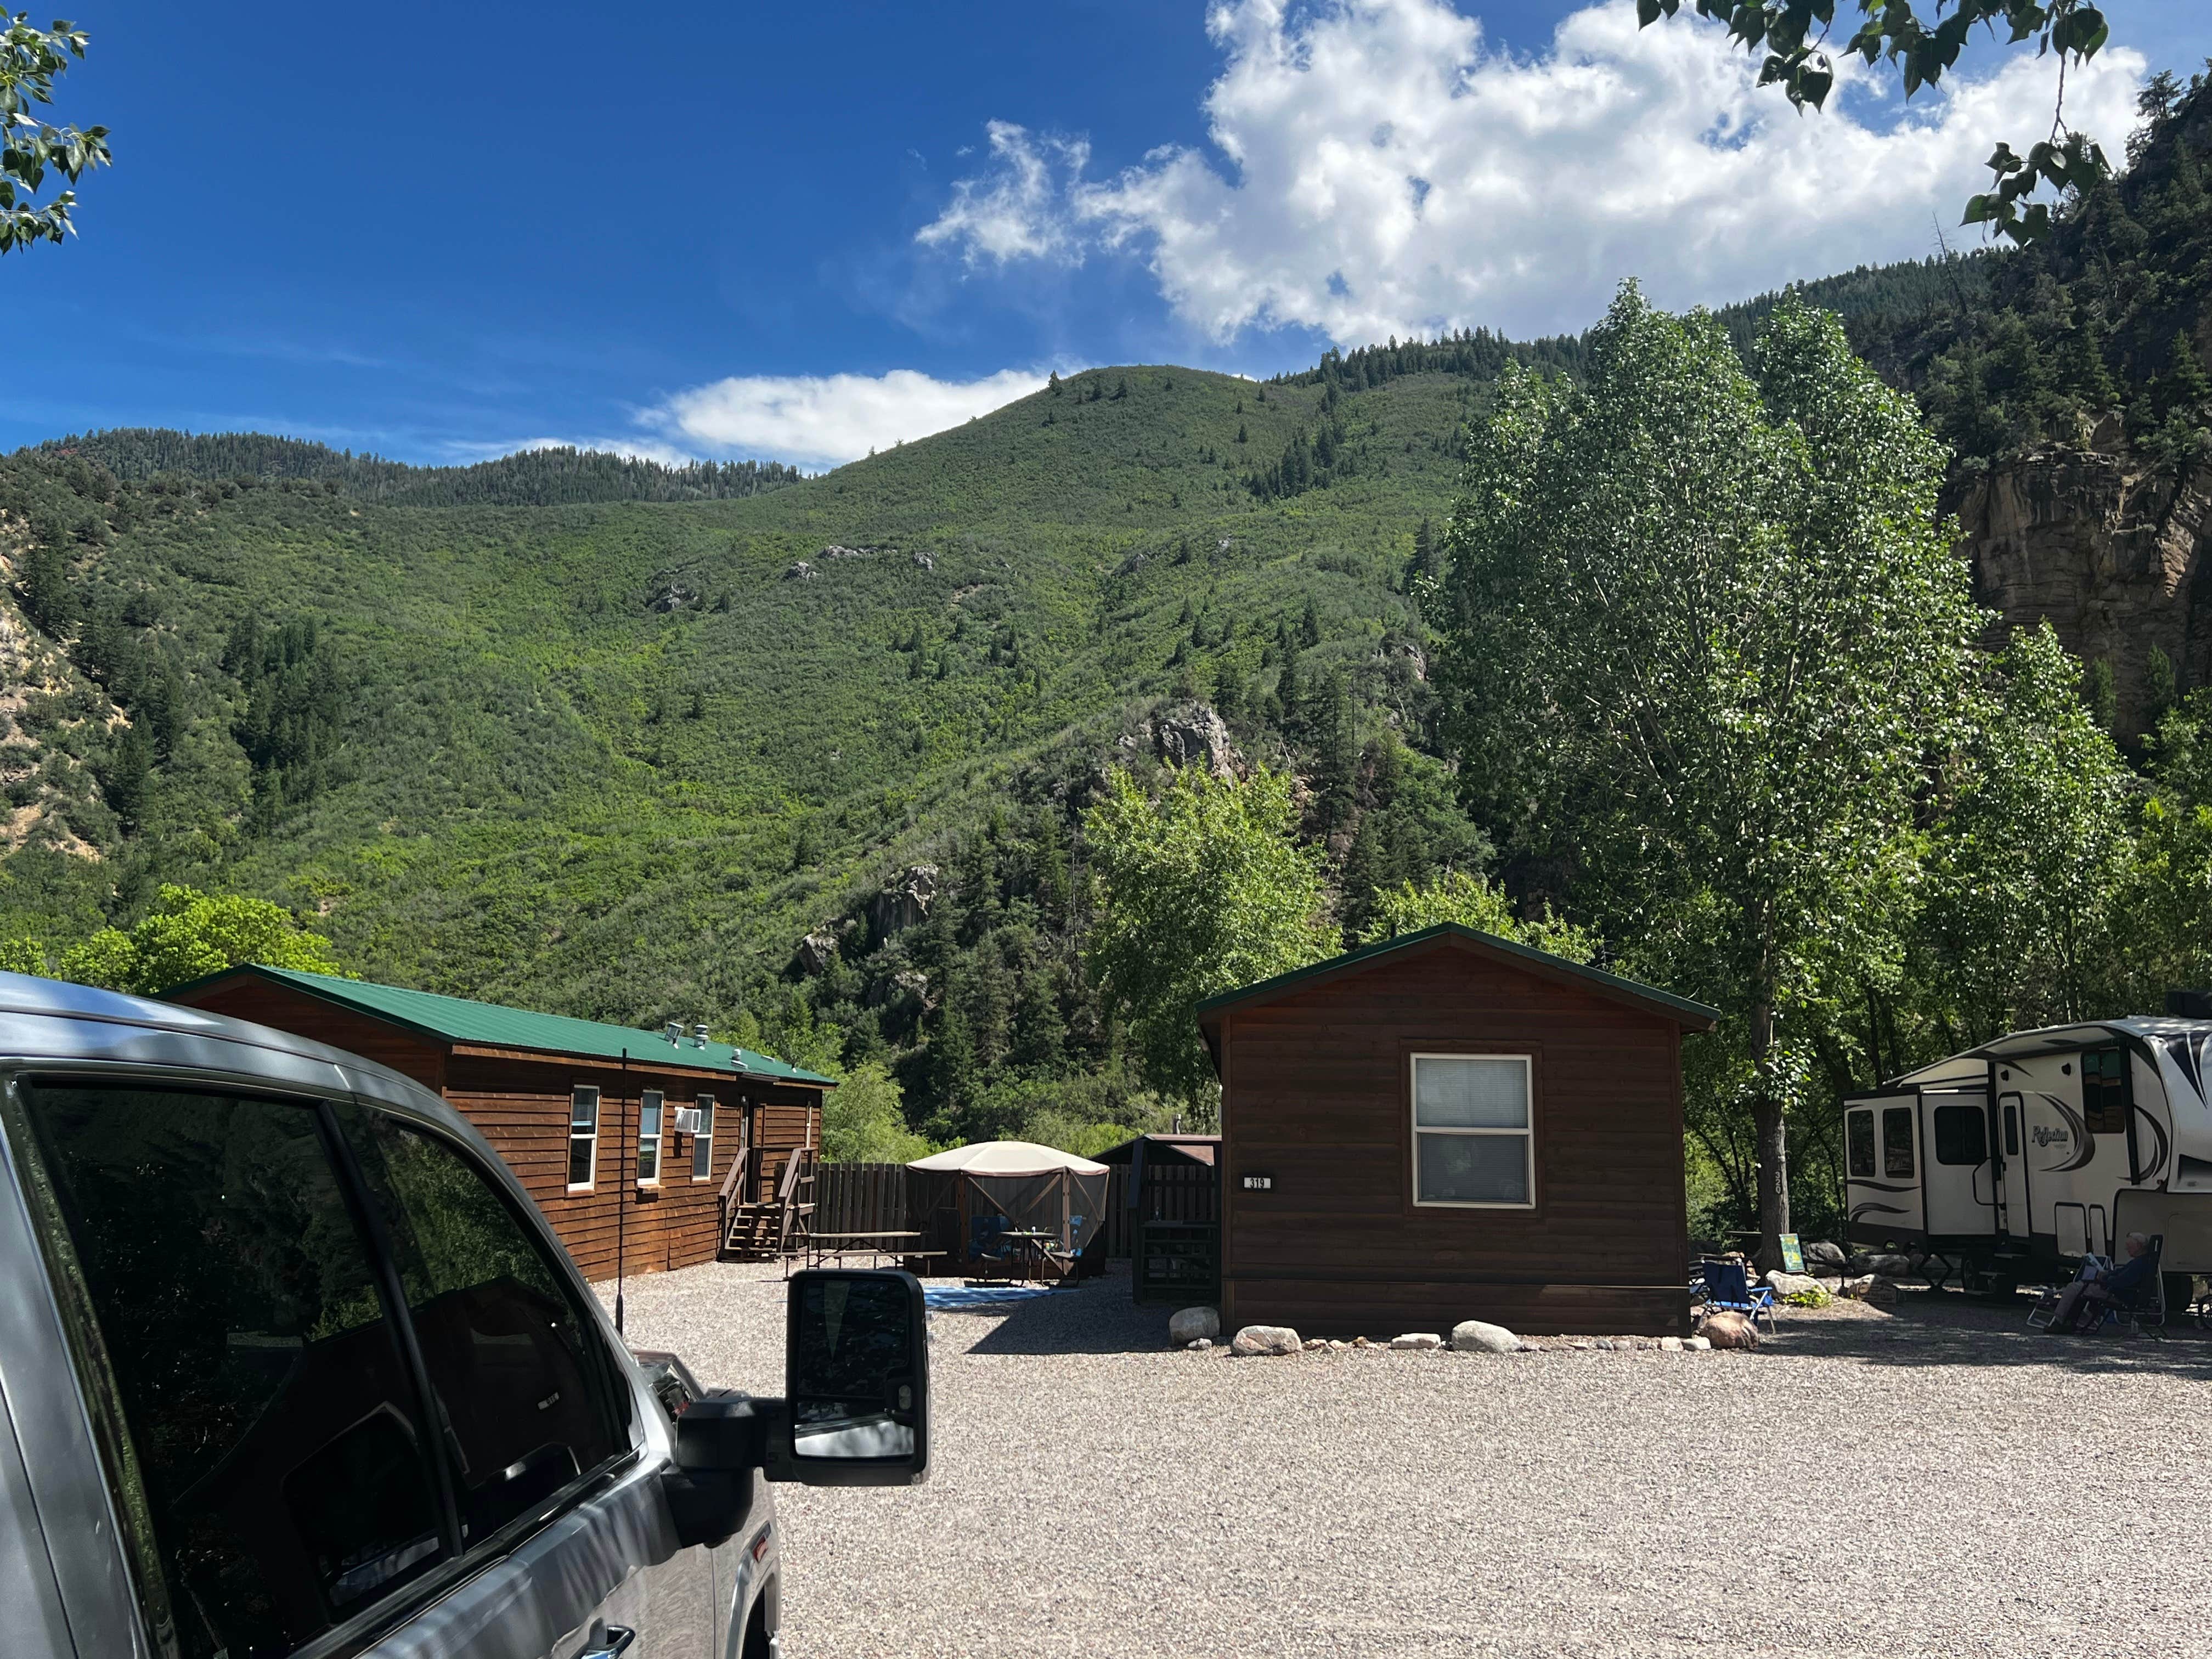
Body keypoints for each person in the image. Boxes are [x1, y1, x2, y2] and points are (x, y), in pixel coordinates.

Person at [2047, 1232, 2157, 1333]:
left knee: (2074, 1288)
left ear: (2138, 1246)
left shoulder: (2138, 1264)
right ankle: (2070, 1322)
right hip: (2123, 1293)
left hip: (2119, 1295)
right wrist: (2107, 1274)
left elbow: (2122, 1281)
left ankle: (2059, 1321)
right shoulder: (2143, 1261)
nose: (2126, 1249)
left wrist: (2104, 1279)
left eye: (2129, 1246)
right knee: (2081, 1289)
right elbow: (2120, 1273)